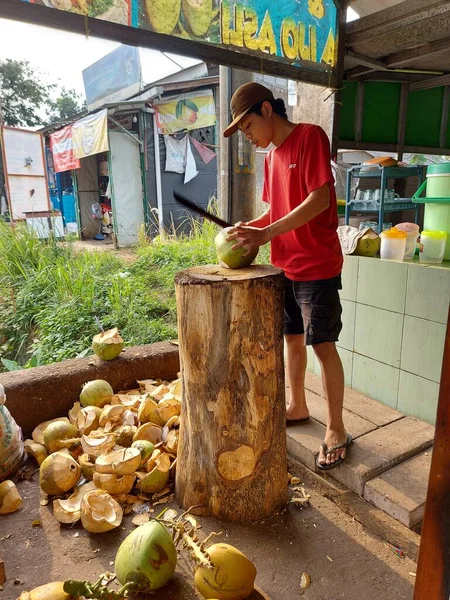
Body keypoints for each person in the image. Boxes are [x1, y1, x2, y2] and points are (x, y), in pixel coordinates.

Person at [223, 82, 352, 470]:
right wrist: (253, 228)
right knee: (291, 339)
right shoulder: (271, 158)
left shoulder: (310, 136)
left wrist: (267, 232)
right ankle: (297, 406)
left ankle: (337, 428)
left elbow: (320, 199)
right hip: (287, 266)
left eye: (246, 127)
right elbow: (277, 211)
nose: (246, 136)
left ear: (266, 110)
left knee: (322, 345)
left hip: (316, 265)